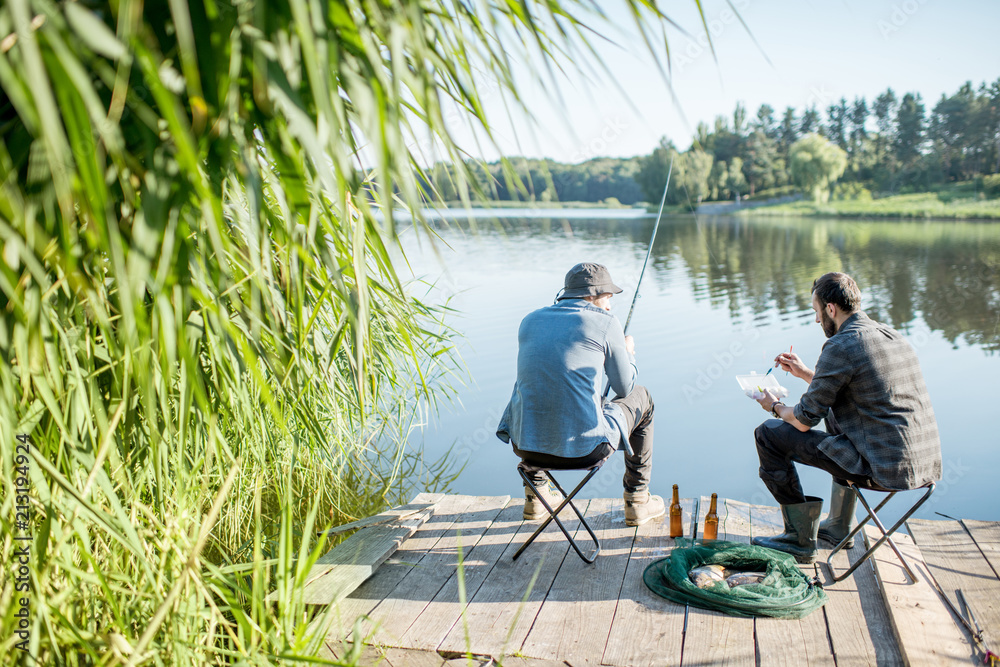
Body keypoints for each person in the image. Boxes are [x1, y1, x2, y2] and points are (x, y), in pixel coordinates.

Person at [751, 272, 942, 563]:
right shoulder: (890, 335)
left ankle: (799, 539)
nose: (817, 320)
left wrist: (774, 406)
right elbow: (856, 389)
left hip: (883, 469)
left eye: (816, 312)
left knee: (768, 434)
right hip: (922, 464)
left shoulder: (840, 345)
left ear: (830, 309)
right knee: (835, 407)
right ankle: (840, 525)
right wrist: (805, 374)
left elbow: (802, 421)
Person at [496, 262, 664, 526]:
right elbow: (624, 388)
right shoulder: (607, 322)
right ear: (594, 295)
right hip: (586, 450)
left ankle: (535, 495)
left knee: (533, 386)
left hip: (526, 449)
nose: (610, 306)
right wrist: (628, 354)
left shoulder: (529, 321)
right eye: (608, 298)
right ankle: (637, 500)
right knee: (643, 397)